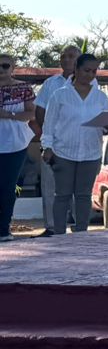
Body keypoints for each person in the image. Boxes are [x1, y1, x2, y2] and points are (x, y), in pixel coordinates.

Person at [39, 53, 108, 234]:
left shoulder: (100, 97)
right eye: (86, 70)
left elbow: (106, 125)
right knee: (62, 195)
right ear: (76, 69)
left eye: (94, 71)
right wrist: (47, 147)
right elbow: (49, 124)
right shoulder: (60, 95)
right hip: (63, 152)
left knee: (83, 196)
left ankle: (81, 233)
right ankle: (59, 234)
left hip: (90, 153)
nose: (90, 75)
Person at [30, 44, 80, 234]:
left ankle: (78, 226)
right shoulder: (50, 83)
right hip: (52, 143)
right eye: (63, 56)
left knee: (76, 186)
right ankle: (51, 227)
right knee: (50, 186)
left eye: (71, 56)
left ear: (79, 60)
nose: (66, 59)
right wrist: (48, 134)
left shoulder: (90, 83)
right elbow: (40, 110)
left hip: (76, 144)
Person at [0, 54, 36, 241]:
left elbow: (31, 114)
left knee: (8, 187)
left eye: (5, 66)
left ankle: (3, 228)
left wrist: (8, 114)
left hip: (15, 144)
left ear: (13, 67)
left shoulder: (24, 88)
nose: (1, 69)